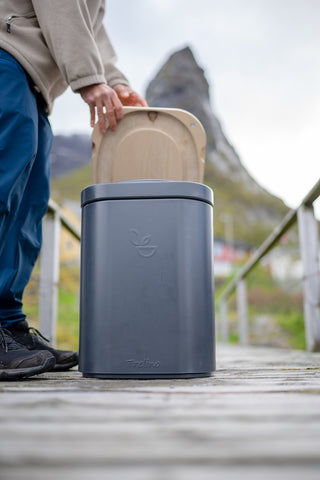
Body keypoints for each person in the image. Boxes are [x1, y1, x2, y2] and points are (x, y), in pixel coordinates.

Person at [0, 0, 147, 380]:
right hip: (6, 56)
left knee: (28, 207)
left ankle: (8, 323)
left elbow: (91, 24)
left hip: (33, 81)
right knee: (3, 192)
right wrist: (89, 78)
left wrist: (116, 80)